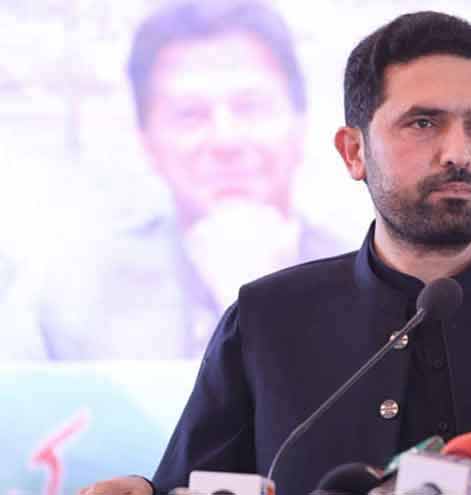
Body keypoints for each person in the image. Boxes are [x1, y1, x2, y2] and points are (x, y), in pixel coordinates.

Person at [79, 10, 471, 494]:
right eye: (423, 123)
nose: (458, 152)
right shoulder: (268, 319)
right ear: (354, 151)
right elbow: (194, 486)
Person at [38, 0, 344, 360]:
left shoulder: (376, 281)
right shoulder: (71, 300)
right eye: (190, 115)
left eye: (249, 107)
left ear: (300, 122)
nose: (225, 140)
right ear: (146, 141)